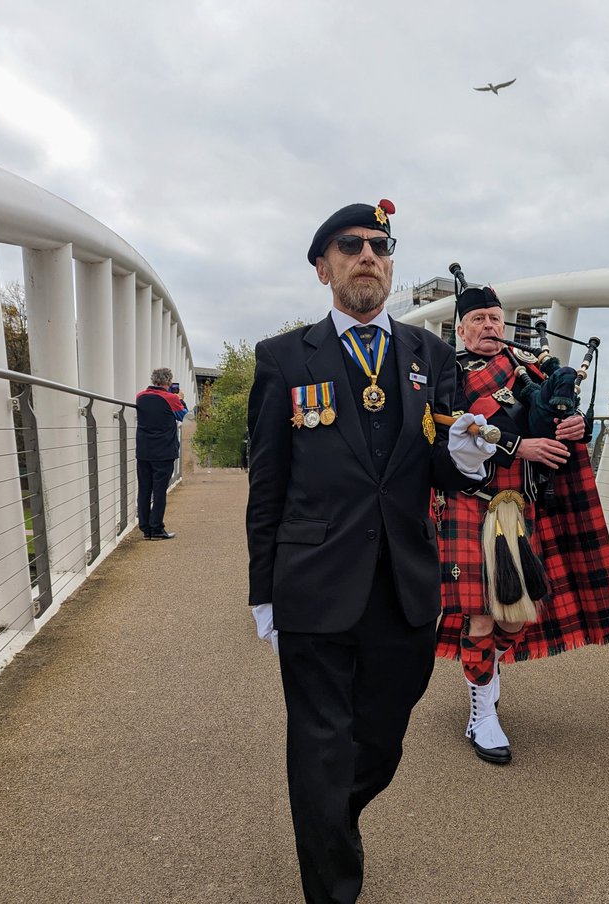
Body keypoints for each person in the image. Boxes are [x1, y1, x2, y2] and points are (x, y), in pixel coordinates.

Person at [245, 199, 494, 904]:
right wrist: (262, 591)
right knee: (320, 745)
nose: (368, 255)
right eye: (350, 245)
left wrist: (469, 455)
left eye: (380, 246)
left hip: (404, 585)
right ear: (323, 268)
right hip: (314, 582)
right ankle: (332, 882)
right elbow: (269, 482)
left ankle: (329, 819)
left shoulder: (430, 355)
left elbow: (444, 466)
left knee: (380, 745)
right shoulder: (284, 357)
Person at [435, 283, 609, 765]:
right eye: (478, 319)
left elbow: (557, 425)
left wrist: (572, 427)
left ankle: (488, 664)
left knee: (517, 613)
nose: (489, 327)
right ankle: (482, 715)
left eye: (495, 319)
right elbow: (444, 431)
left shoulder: (532, 370)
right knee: (481, 613)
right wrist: (516, 445)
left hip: (520, 506)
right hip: (469, 502)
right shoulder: (447, 374)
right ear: (461, 329)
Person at [135, 367, 187, 540]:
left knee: (144, 489)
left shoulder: (140, 397)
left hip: (143, 450)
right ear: (168, 381)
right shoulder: (171, 398)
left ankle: (145, 528)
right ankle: (156, 528)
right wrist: (181, 399)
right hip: (164, 451)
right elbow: (182, 416)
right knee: (159, 491)